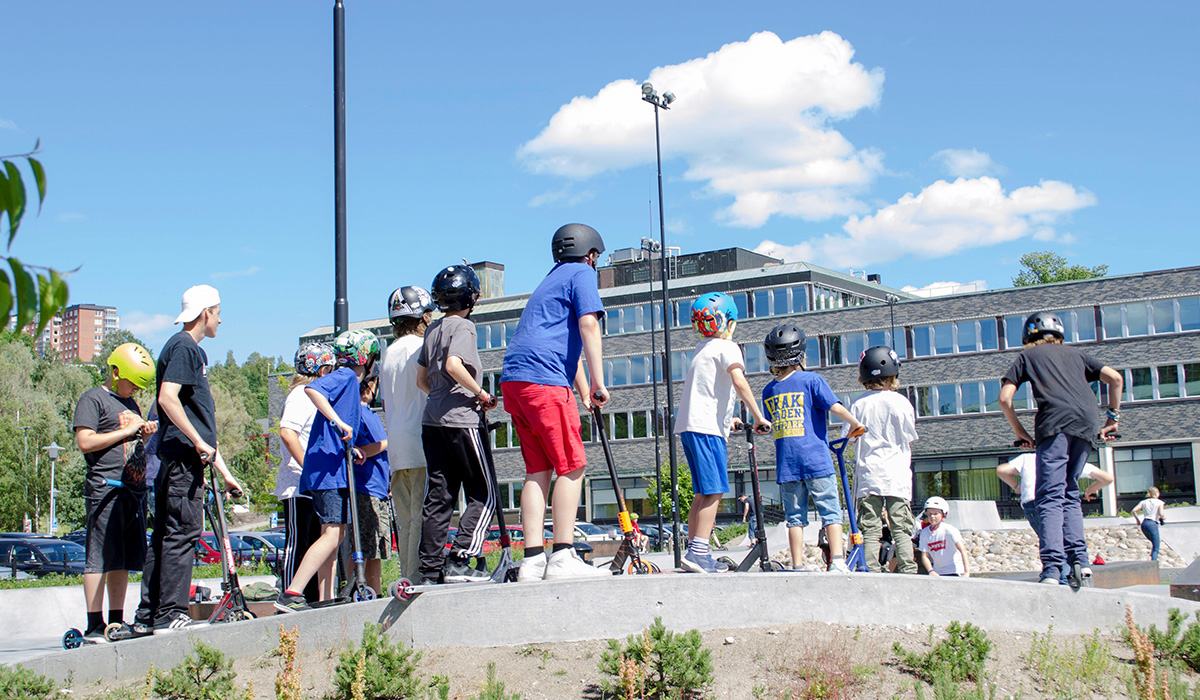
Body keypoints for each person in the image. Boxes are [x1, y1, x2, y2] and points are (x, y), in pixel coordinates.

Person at [130, 284, 242, 636]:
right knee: (181, 533)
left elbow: (199, 422)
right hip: (182, 463)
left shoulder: (187, 350)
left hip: (182, 460)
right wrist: (196, 441)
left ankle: (149, 614)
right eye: (219, 312)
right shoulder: (185, 347)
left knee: (165, 534)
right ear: (205, 312)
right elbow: (167, 399)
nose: (221, 320)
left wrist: (224, 472)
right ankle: (170, 614)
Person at [501, 223, 610, 582]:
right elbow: (588, 326)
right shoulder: (582, 273)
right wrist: (598, 382)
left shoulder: (550, 280)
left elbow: (566, 347)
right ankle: (563, 555)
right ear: (591, 254)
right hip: (544, 380)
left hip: (516, 380)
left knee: (538, 470)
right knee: (572, 466)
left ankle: (532, 560)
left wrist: (582, 391)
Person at [999, 310, 1124, 586]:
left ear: (1027, 336)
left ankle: (1053, 567)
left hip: (1054, 422)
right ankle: (1080, 560)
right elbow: (1115, 379)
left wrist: (1020, 432)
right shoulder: (1077, 355)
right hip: (1087, 422)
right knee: (1069, 490)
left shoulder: (1027, 357)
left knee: (1051, 495)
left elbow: (1005, 398)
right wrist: (1112, 419)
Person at [275, 329, 382, 613]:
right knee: (333, 535)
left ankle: (323, 599)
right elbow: (313, 389)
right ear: (368, 358)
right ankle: (292, 592)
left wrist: (352, 447)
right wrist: (339, 423)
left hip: (335, 467)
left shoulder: (348, 385)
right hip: (328, 472)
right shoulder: (346, 376)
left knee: (333, 535)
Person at [674, 292, 771, 573]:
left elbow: (708, 390)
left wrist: (727, 419)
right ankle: (698, 553)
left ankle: (694, 550)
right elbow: (738, 382)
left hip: (691, 426)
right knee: (714, 491)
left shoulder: (701, 348)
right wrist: (758, 415)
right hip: (705, 429)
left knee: (702, 492)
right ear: (730, 323)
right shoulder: (728, 348)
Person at [416, 265, 497, 586]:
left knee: (439, 497)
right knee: (485, 492)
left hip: (432, 420)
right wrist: (481, 393)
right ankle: (461, 557)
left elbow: (422, 380)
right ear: (471, 297)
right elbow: (453, 365)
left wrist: (440, 396)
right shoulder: (463, 327)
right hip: (462, 420)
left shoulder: (432, 330)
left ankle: (430, 570)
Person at [72, 343, 158, 641]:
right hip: (103, 488)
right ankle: (93, 623)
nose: (135, 388)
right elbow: (85, 442)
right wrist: (126, 431)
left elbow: (133, 449)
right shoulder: (93, 399)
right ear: (116, 371)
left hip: (131, 490)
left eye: (139, 385)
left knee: (122, 559)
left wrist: (144, 437)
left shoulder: (131, 405)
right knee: (99, 557)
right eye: (132, 381)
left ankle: (115, 620)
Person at [761, 323, 864, 572]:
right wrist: (855, 423)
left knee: (794, 519)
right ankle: (838, 562)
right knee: (830, 511)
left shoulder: (768, 391)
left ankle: (797, 566)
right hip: (817, 460)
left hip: (788, 465)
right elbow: (834, 407)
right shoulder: (813, 380)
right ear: (801, 355)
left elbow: (771, 424)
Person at [844, 346, 919, 574]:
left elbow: (849, 437)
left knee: (870, 526)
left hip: (869, 474)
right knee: (901, 526)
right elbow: (909, 439)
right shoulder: (902, 402)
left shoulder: (859, 404)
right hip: (897, 474)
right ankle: (908, 567)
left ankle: (871, 568)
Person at [379, 285, 435, 583]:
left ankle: (405, 574)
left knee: (405, 518)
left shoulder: (389, 353)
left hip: (397, 446)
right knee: (421, 516)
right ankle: (416, 577)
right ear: (422, 316)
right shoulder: (420, 347)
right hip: (421, 439)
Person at [276, 342, 336, 603]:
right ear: (322, 369)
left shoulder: (314, 394)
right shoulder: (301, 394)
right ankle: (289, 594)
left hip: (313, 484)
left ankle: (309, 598)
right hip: (297, 483)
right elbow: (287, 432)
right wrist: (308, 466)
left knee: (315, 541)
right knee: (298, 542)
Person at [996, 452, 1114, 534]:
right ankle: (1074, 564)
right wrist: (1092, 489)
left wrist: (1017, 486)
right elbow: (1107, 478)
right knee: (1066, 536)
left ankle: (1056, 566)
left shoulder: (1028, 458)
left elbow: (1002, 470)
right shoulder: (1067, 460)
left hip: (1033, 501)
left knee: (1047, 539)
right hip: (1059, 501)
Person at [355, 366, 390, 595]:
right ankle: (362, 591)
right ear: (368, 387)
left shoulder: (365, 414)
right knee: (367, 547)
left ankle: (373, 592)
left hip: (375, 488)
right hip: (367, 487)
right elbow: (373, 446)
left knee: (374, 548)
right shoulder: (361, 413)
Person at [917, 497, 970, 577]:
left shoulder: (949, 530)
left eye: (936, 514)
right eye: (930, 514)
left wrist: (966, 572)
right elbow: (924, 555)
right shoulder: (924, 533)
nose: (932, 516)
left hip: (955, 570)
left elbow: (962, 549)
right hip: (938, 572)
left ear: (943, 514)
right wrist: (930, 570)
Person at [1132, 487, 1166, 562]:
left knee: (1153, 543)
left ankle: (1152, 557)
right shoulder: (1159, 502)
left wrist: (1137, 520)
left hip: (1144, 524)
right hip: (1153, 524)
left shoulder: (1143, 502)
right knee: (1156, 546)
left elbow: (1134, 511)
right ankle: (1153, 562)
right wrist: (1163, 517)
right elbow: (1161, 513)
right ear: (1157, 493)